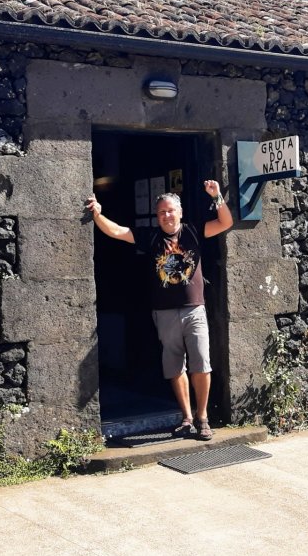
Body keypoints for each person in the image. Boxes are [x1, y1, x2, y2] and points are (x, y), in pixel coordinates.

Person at [85, 180, 233, 441]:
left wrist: (217, 196)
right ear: (157, 215)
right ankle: (187, 418)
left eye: (171, 211)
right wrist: (97, 214)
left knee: (201, 364)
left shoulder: (193, 231)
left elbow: (225, 222)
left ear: (180, 212)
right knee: (175, 367)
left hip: (194, 310)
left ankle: (203, 417)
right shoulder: (151, 236)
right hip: (164, 312)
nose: (166, 216)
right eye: (162, 212)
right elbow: (117, 231)